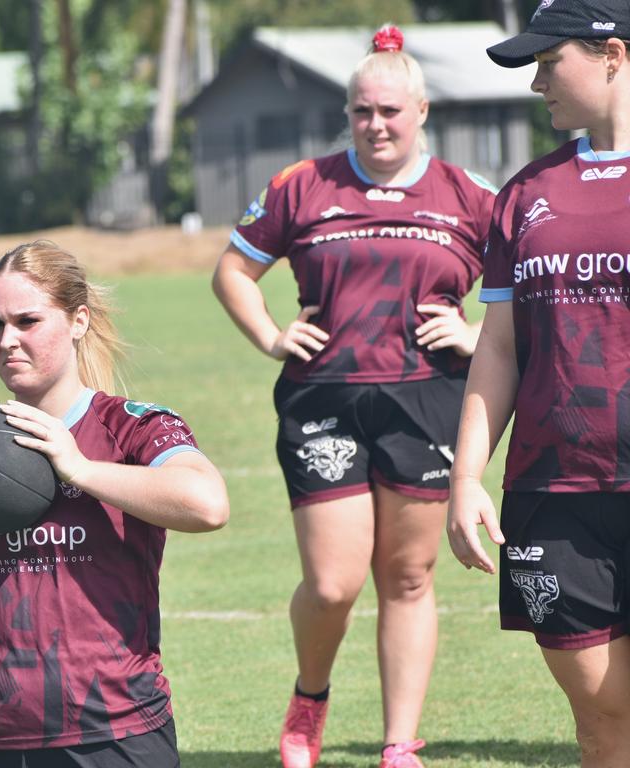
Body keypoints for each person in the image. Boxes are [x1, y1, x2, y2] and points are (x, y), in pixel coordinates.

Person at [211, 24, 496, 768]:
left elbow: (529, 286)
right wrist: (274, 337)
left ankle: (400, 744)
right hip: (324, 401)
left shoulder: (470, 196)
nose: (376, 125)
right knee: (333, 585)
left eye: (390, 112)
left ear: (423, 111)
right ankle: (311, 696)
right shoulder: (301, 185)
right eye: (363, 111)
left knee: (408, 577)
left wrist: (478, 338)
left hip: (427, 400)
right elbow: (233, 274)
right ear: (348, 113)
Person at [0, 240, 229, 768]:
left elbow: (208, 504)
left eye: (27, 321)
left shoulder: (130, 425)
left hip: (113, 729)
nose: (7, 341)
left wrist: (80, 469)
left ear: (78, 321)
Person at [447, 2, 630, 765]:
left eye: (550, 63)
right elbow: (498, 347)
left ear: (613, 55)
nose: (536, 84)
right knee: (599, 715)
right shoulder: (524, 195)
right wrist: (465, 477)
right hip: (554, 494)